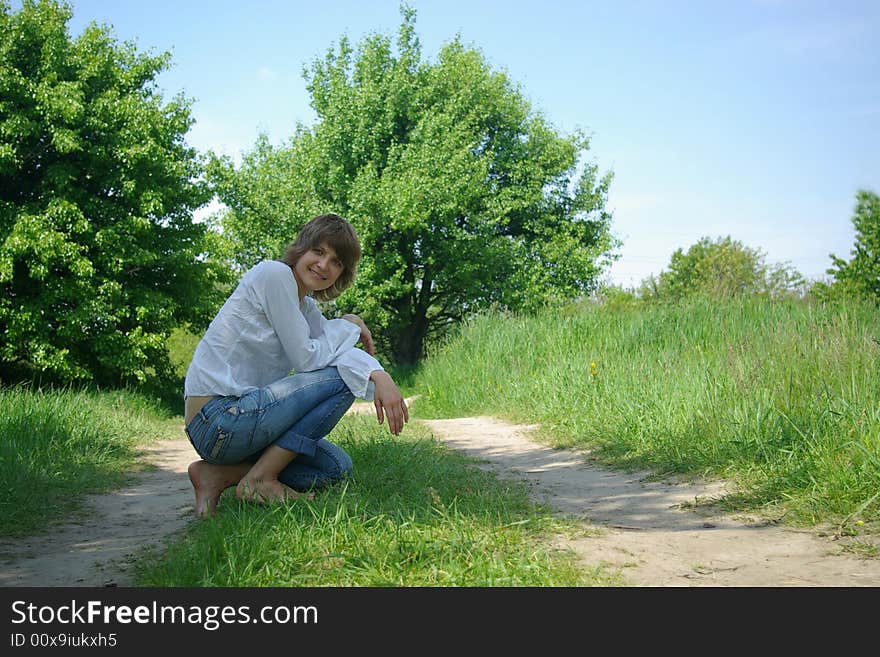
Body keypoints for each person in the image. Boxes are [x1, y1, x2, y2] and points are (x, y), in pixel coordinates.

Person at [183, 213, 408, 517]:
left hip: (240, 423)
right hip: (218, 418)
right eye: (319, 251)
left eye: (337, 261)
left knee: (335, 467)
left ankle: (218, 476)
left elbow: (335, 351)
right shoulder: (274, 275)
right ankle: (260, 480)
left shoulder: (304, 306)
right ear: (301, 248)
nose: (324, 265)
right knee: (343, 380)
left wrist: (379, 373)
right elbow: (308, 359)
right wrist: (349, 325)